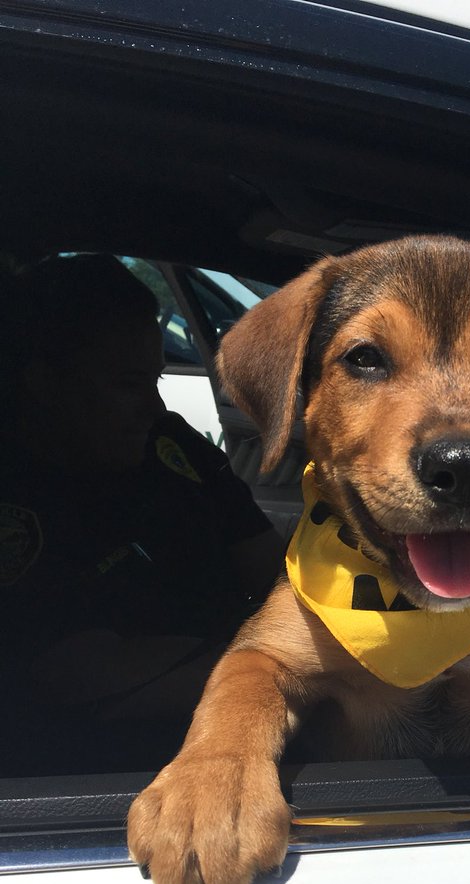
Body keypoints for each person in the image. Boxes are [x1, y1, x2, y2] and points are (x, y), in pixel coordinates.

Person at [0, 254, 285, 772]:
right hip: (126, 766)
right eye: (129, 385)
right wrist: (283, 675)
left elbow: (274, 571)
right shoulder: (20, 510)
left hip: (258, 715)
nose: (155, 408)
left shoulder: (171, 446)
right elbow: (83, 676)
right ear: (44, 384)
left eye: (156, 381)